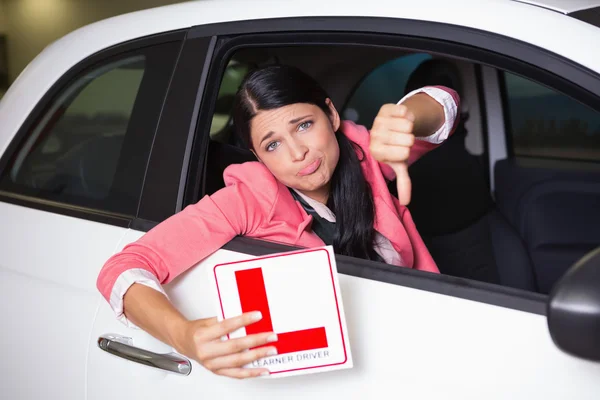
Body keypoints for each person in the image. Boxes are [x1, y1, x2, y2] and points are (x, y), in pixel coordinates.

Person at [96, 65, 460, 379]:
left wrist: (406, 116)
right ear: (257, 156)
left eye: (303, 125)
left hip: (420, 338)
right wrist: (183, 336)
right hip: (332, 373)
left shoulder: (364, 152)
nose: (297, 152)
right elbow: (124, 268)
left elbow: (445, 102)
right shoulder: (247, 199)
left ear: (331, 115)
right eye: (272, 145)